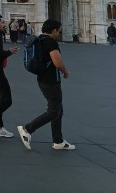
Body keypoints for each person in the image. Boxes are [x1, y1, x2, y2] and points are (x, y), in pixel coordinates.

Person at [17, 19, 75, 151]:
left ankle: (58, 141)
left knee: (58, 110)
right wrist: (65, 72)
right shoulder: (50, 42)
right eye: (58, 30)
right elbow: (57, 62)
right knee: (54, 110)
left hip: (42, 79)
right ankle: (27, 129)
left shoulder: (40, 39)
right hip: (50, 81)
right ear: (54, 30)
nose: (59, 33)